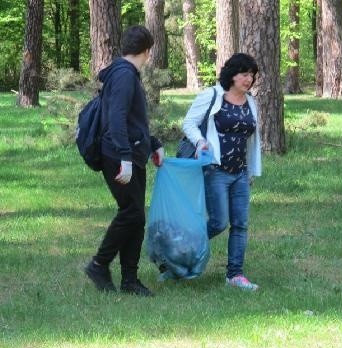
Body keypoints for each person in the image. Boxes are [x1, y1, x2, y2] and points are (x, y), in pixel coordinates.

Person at [84, 25, 165, 297]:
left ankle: (130, 279)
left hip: (131, 153)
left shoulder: (126, 74)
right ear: (146, 51)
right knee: (131, 213)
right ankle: (99, 264)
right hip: (119, 156)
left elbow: (132, 120)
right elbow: (116, 119)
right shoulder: (124, 76)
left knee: (136, 217)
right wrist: (125, 158)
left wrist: (154, 144)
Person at [182, 53, 262, 291]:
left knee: (241, 224)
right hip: (215, 170)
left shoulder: (251, 102)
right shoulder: (212, 95)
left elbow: (251, 140)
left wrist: (250, 171)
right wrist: (200, 142)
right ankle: (180, 251)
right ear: (232, 74)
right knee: (218, 223)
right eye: (243, 74)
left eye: (251, 75)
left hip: (240, 172)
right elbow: (189, 124)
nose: (248, 79)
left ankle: (235, 275)